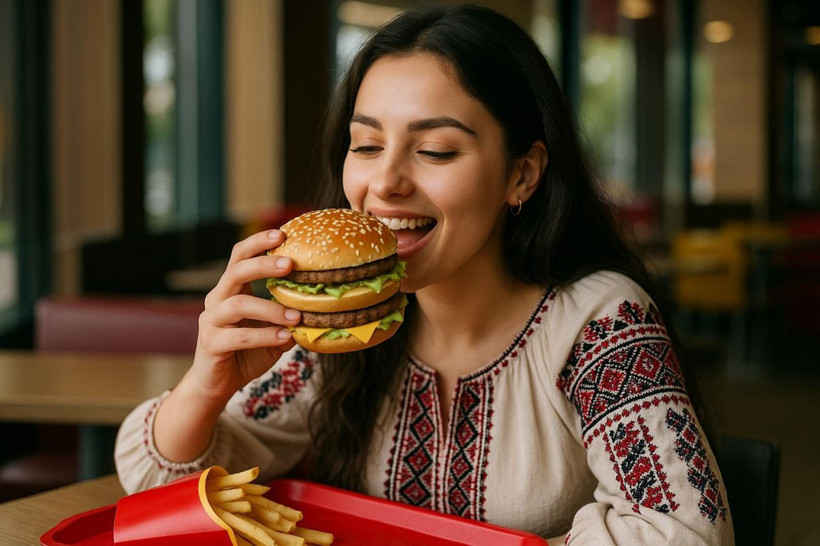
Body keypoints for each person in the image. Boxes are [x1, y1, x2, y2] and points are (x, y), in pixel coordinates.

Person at [115, 5, 734, 544]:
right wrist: (206, 384)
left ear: (522, 174)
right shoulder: (337, 336)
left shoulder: (600, 323)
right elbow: (159, 490)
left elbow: (683, 532)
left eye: (435, 150)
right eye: (365, 145)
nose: (385, 183)